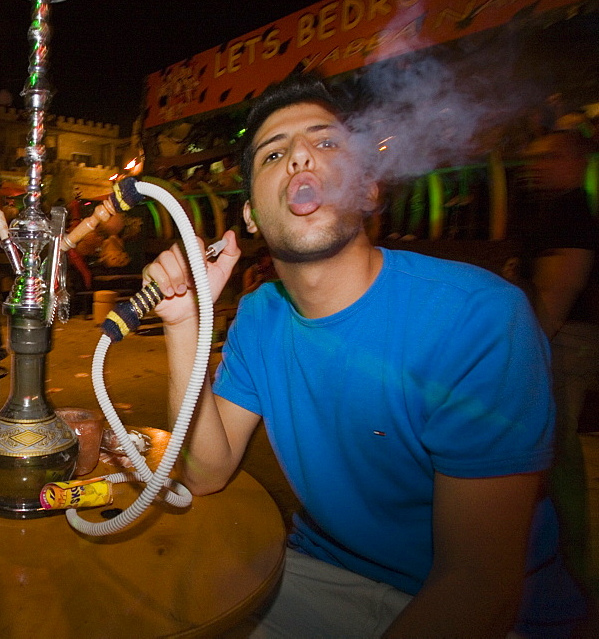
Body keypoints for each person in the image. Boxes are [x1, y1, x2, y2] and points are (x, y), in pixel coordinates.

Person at [144, 74, 587, 636]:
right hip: (318, 573)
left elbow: (479, 585)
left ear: (368, 190)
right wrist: (186, 321)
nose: (300, 156)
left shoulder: (477, 317)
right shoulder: (259, 315)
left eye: (326, 143)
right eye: (273, 154)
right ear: (251, 216)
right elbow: (205, 472)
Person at [514, 129, 599, 594]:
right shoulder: (561, 209)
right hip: (559, 337)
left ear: (570, 159)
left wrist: (530, 351)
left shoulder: (572, 213)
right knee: (553, 449)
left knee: (552, 447)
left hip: (563, 342)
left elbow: (561, 288)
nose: (536, 167)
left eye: (546, 158)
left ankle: (569, 564)